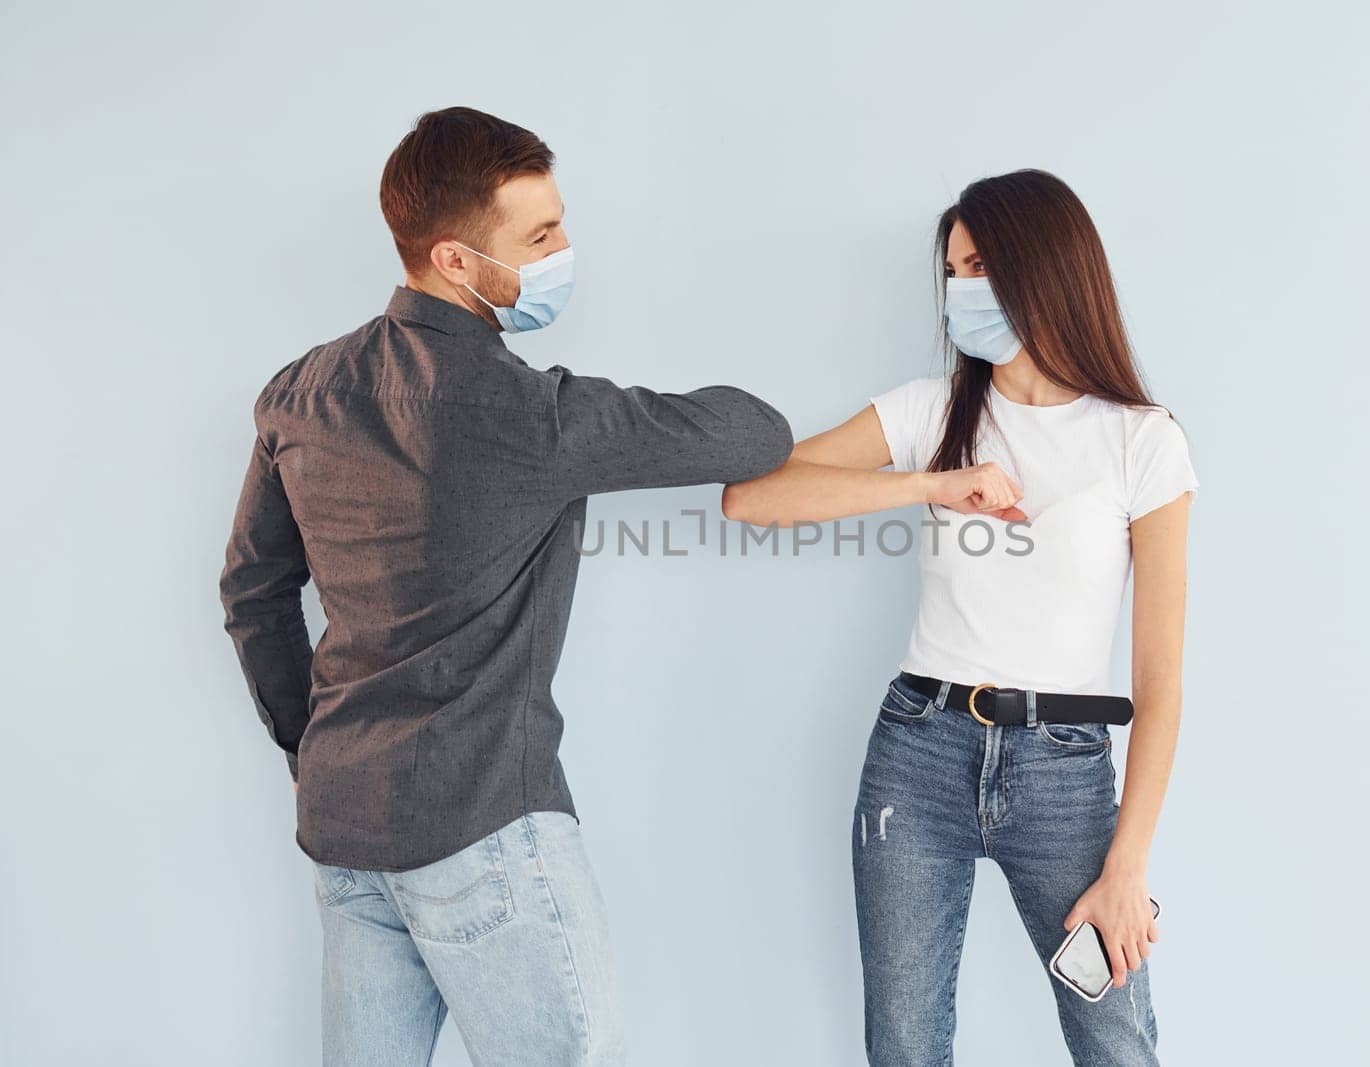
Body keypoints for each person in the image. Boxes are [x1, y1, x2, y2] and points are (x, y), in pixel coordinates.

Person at [217, 106, 792, 1066]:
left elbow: (251, 593)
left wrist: (311, 741)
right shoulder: (523, 411)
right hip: (483, 826)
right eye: (541, 235)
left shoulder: (299, 390)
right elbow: (756, 433)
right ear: (452, 259)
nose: (566, 249)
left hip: (348, 826)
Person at [723, 168, 1195, 1066]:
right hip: (919, 749)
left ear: (1043, 267)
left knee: (1117, 1041)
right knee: (903, 1045)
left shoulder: (1143, 440)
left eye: (978, 265)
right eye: (953, 271)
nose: (960, 290)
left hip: (1063, 773)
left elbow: (1161, 679)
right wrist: (931, 484)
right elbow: (752, 496)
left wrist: (1127, 864)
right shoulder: (933, 410)